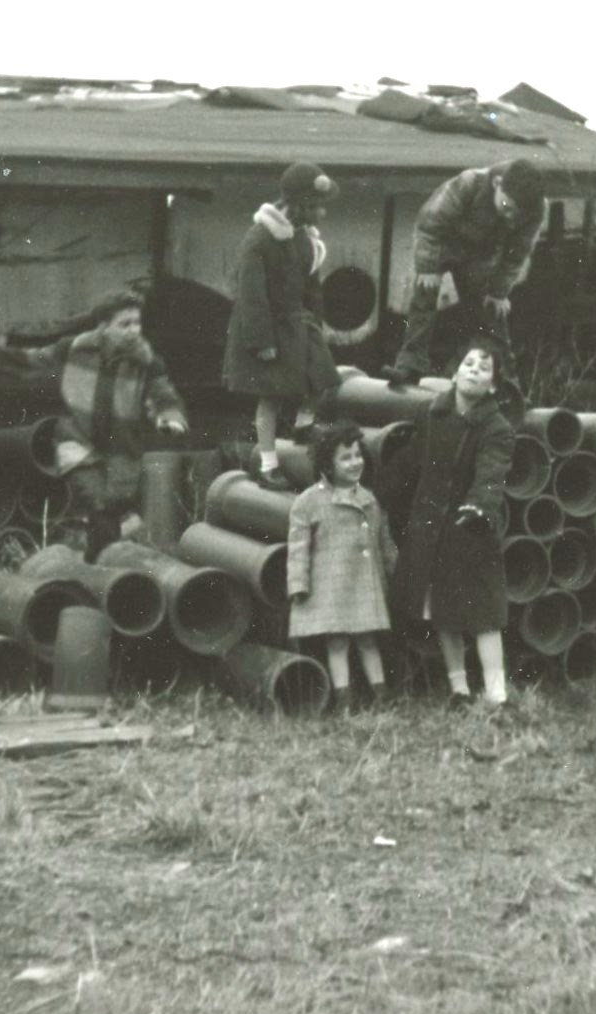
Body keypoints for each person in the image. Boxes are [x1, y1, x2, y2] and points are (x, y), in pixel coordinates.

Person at [0, 289, 188, 562]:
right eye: (124, 324)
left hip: (122, 447)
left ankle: (101, 563)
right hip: (77, 440)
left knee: (113, 508)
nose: (133, 331)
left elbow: (162, 394)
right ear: (104, 326)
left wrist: (169, 417)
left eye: (137, 323)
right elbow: (26, 358)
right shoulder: (75, 348)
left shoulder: (147, 362)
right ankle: (106, 568)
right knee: (99, 501)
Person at [386, 334, 514, 708]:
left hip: (469, 530)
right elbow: (411, 462)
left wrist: (479, 506)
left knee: (484, 616)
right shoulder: (432, 414)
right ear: (455, 373)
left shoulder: (497, 427)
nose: (475, 371)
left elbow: (492, 471)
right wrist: (380, 490)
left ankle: (497, 696)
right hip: (429, 529)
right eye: (469, 364)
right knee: (440, 612)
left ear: (492, 384)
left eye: (484, 368)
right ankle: (458, 689)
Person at [224, 162, 345, 492]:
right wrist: (261, 341)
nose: (322, 213)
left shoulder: (306, 240)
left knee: (324, 379)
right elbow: (250, 294)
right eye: (316, 206)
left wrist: (316, 326)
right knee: (271, 398)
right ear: (299, 204)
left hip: (298, 325)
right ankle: (268, 464)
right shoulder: (260, 239)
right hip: (270, 329)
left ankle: (303, 427)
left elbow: (312, 288)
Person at [384, 158, 547, 387]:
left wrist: (499, 292)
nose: (510, 217)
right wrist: (428, 268)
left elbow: (516, 255)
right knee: (424, 299)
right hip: (442, 244)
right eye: (507, 207)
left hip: (480, 256)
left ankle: (507, 380)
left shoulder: (537, 209)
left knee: (491, 312)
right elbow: (429, 224)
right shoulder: (469, 183)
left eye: (516, 215)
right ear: (497, 184)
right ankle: (409, 366)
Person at [286, 421, 398, 709]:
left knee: (368, 640)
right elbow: (298, 547)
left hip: (364, 584)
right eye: (345, 458)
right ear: (327, 464)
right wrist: (298, 583)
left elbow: (383, 541)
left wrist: (393, 572)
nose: (354, 462)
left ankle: (381, 695)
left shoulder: (369, 499)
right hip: (331, 586)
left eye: (358, 455)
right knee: (336, 643)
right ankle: (344, 699)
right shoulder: (308, 502)